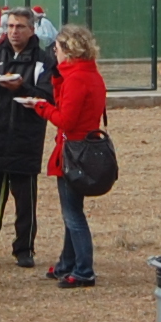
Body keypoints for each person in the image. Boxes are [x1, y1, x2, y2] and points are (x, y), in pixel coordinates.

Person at [0, 6, 57, 269]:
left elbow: (48, 97)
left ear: (32, 30)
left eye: (20, 27)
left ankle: (24, 249)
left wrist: (22, 87)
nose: (14, 32)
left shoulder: (44, 61)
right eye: (10, 26)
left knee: (25, 201)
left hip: (25, 138)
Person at [36, 23, 110, 289]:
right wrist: (58, 82)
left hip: (74, 152)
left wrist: (41, 107)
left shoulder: (77, 78)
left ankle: (84, 270)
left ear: (68, 50)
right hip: (84, 148)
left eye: (56, 48)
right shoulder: (88, 74)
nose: (54, 53)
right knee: (72, 211)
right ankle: (67, 263)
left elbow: (65, 119)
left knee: (73, 215)